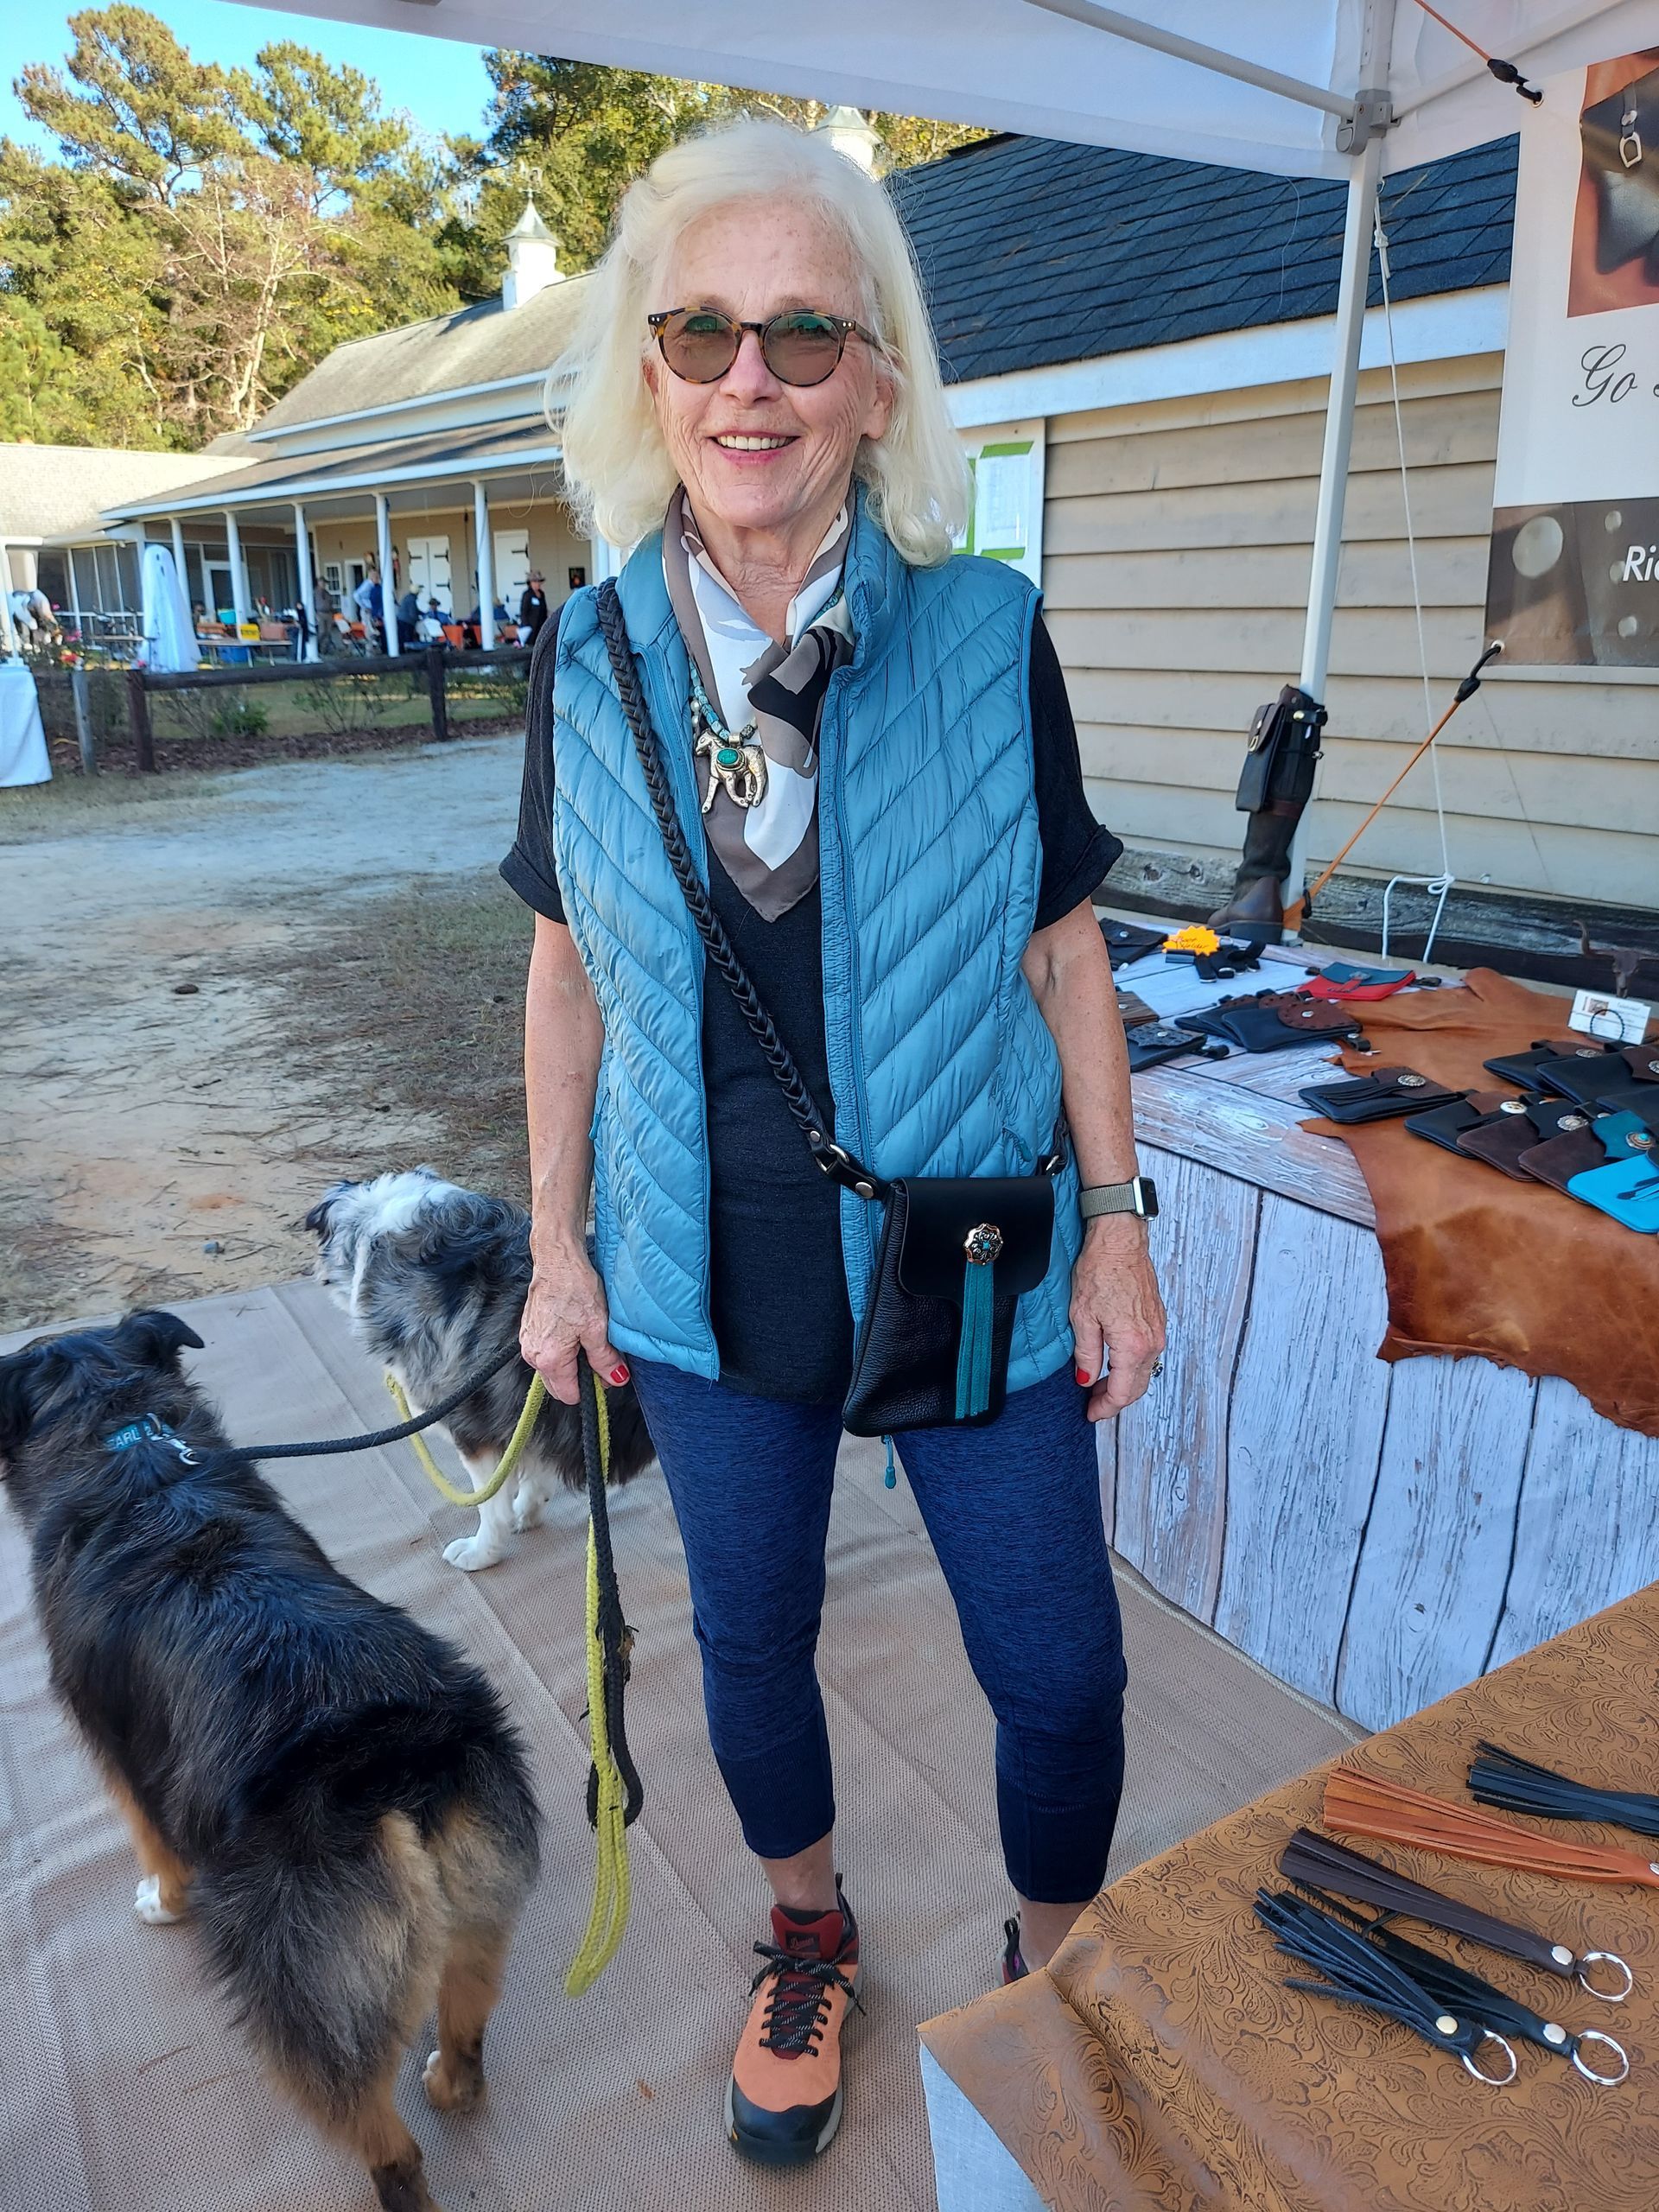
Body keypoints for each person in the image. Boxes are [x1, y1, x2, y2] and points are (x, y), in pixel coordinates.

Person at [502, 118, 1165, 2168]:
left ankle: (1056, 1953)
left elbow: (1065, 948)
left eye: (805, 334)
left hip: (967, 1243)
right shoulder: (590, 651)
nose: (749, 380)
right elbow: (563, 978)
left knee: (1059, 1670)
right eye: (701, 330)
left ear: (877, 382)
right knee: (753, 1645)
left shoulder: (981, 633)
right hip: (703, 1255)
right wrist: (554, 1245)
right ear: (646, 371)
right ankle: (808, 1927)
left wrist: (1120, 1220)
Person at [518, 569, 550, 644]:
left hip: (541, 626)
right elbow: (524, 612)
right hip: (531, 627)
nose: (537, 584)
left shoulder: (542, 594)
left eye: (539, 581)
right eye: (535, 582)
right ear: (530, 583)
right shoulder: (527, 594)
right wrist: (526, 626)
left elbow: (544, 609)